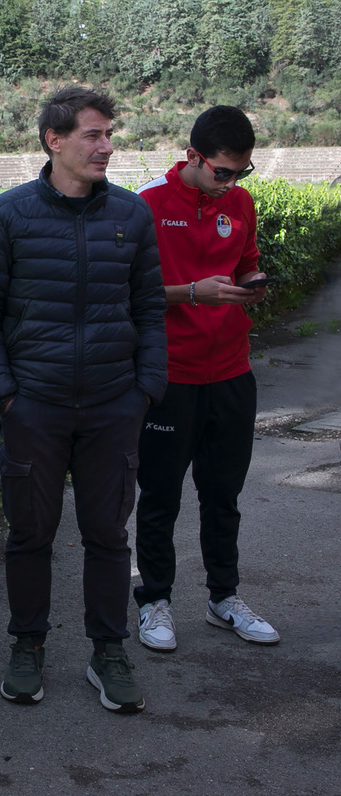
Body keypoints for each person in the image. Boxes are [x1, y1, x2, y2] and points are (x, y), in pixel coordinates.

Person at [0, 87, 167, 714]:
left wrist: (143, 391)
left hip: (113, 408)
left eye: (109, 135)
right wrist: (4, 395)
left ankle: (109, 651)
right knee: (30, 535)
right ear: (54, 140)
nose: (107, 146)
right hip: (34, 409)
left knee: (108, 536)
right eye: (93, 135)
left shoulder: (131, 216)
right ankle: (28, 646)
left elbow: (151, 310)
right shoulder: (8, 214)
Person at [133, 106, 278, 651]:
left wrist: (252, 281)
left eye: (242, 173)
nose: (232, 184)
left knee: (224, 495)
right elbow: (128, 294)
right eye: (223, 172)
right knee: (161, 496)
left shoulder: (239, 202)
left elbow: (246, 262)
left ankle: (224, 599)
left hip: (232, 371)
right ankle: (154, 602)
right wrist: (193, 293)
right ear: (192, 157)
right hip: (170, 376)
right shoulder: (147, 204)